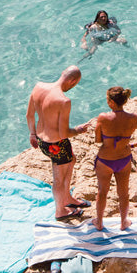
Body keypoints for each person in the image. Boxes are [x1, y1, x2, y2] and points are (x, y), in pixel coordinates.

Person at [26, 67, 91, 219]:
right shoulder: (63, 101)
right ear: (72, 81)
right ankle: (60, 211)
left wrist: (32, 134)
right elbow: (64, 133)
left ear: (62, 73)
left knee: (71, 160)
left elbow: (29, 115)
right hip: (57, 144)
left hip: (41, 140)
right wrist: (79, 130)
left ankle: (67, 198)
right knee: (58, 178)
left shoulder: (38, 87)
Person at [92, 86, 137, 231]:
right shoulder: (133, 118)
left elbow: (98, 139)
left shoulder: (103, 118)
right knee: (123, 193)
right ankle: (123, 222)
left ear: (112, 102)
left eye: (107, 99)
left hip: (105, 160)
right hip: (124, 159)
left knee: (102, 191)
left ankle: (99, 223)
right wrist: (132, 145)